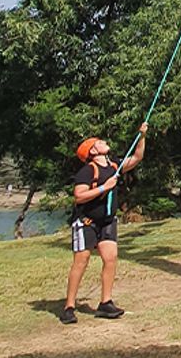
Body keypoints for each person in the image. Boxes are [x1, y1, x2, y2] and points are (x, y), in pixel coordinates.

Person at [61, 122, 148, 325]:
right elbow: (79, 196)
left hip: (107, 221)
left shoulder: (114, 165)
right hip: (86, 222)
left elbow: (137, 158)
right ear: (92, 151)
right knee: (81, 261)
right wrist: (104, 188)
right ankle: (69, 307)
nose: (104, 142)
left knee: (110, 258)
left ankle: (105, 303)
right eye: (99, 142)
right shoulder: (87, 172)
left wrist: (142, 136)